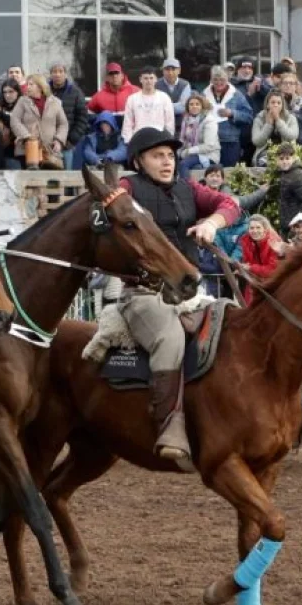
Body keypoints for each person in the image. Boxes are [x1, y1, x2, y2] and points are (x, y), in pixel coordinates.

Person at [117, 127, 240, 463]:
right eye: (157, 155)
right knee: (170, 337)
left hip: (192, 293)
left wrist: (211, 224)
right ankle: (169, 423)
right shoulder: (127, 188)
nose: (167, 161)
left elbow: (230, 204)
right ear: (138, 161)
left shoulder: (189, 188)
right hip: (145, 294)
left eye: (170, 155)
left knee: (238, 327)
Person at [10, 73, 68, 170]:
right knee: (29, 178)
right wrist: (26, 136)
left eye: (31, 84)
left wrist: (59, 140)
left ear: (40, 86)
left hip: (49, 151)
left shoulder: (55, 102)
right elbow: (14, 121)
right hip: (27, 150)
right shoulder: (22, 101)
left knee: (50, 178)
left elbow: (63, 124)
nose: (28, 87)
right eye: (27, 84)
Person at [203, 65, 252, 167]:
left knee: (229, 173)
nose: (219, 82)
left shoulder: (236, 95)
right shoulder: (204, 95)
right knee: (210, 173)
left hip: (230, 142)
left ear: (227, 79)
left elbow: (249, 116)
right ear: (211, 79)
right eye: (215, 79)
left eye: (222, 79)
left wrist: (232, 113)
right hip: (209, 142)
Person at [49, 63, 89, 169]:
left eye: (60, 71)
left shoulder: (76, 92)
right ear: (50, 75)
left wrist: (71, 140)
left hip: (67, 143)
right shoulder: (44, 92)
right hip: (47, 143)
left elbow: (82, 118)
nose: (57, 74)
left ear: (65, 74)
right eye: (54, 72)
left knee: (67, 174)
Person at [122, 67, 174, 143]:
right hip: (139, 138)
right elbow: (127, 123)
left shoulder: (164, 97)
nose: (149, 81)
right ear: (140, 79)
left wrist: (167, 140)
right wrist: (129, 142)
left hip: (159, 138)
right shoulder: (132, 99)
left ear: (156, 79)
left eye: (151, 78)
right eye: (145, 78)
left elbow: (170, 123)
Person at [252, 89, 299, 166]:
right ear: (267, 104)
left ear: (282, 105)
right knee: (265, 163)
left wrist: (278, 120)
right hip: (265, 153)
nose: (276, 105)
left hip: (286, 152)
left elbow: (292, 136)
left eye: (279, 103)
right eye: (273, 102)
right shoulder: (259, 119)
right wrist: (268, 125)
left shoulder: (291, 118)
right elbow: (257, 141)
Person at [178, 92, 220, 178]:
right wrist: (178, 152)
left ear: (202, 106)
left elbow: (209, 146)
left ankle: (185, 186)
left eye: (197, 104)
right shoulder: (186, 120)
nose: (194, 106)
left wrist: (189, 151)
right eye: (191, 104)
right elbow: (182, 141)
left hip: (208, 155)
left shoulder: (209, 120)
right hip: (190, 154)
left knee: (183, 164)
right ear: (188, 107)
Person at [240, 215, 279, 305]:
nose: (255, 231)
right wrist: (242, 268)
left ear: (265, 229)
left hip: (271, 284)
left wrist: (250, 268)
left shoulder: (274, 243)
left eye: (258, 227)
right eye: (252, 228)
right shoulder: (246, 241)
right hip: (253, 282)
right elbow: (247, 262)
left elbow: (272, 270)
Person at [276, 143, 302, 238]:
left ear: (293, 158)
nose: (284, 162)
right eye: (281, 159)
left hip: (293, 226)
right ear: (277, 160)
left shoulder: (297, 175)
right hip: (286, 222)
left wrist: (296, 222)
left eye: (287, 158)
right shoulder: (286, 172)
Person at [202, 163, 269, 213]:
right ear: (205, 178)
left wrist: (261, 192)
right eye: (212, 176)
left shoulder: (226, 192)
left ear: (222, 180)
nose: (214, 179)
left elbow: (245, 201)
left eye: (218, 176)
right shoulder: (199, 193)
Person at [155, 58, 191, 135]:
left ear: (179, 70)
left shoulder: (185, 84)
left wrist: (163, 106)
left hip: (181, 126)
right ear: (163, 71)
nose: (170, 72)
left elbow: (183, 107)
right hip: (161, 126)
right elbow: (155, 107)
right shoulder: (156, 84)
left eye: (173, 69)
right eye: (167, 69)